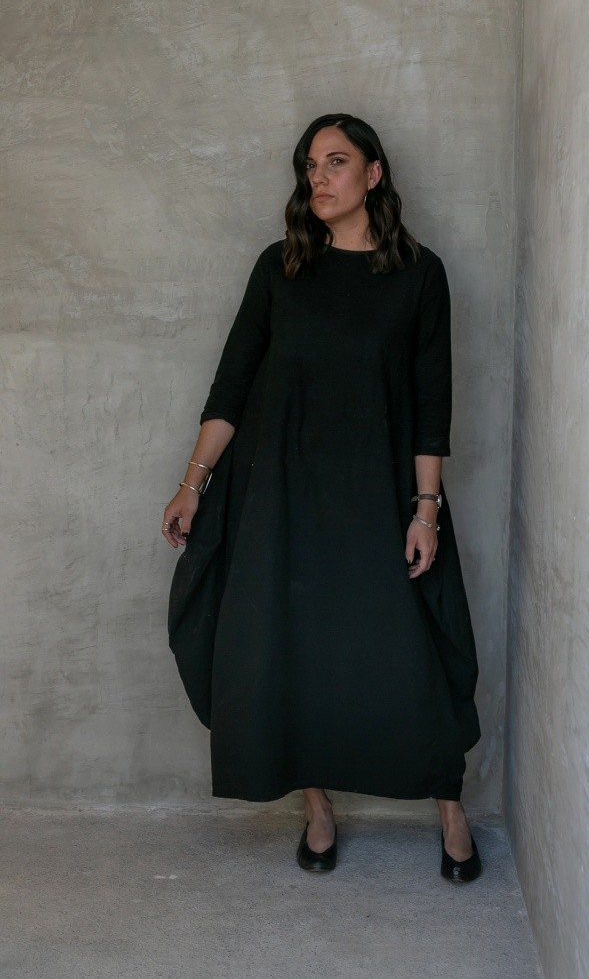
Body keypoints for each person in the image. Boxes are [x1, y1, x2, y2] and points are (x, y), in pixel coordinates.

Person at [162, 113, 482, 882]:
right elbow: (232, 385)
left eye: (337, 161)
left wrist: (426, 509)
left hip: (377, 494)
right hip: (280, 497)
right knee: (291, 648)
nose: (319, 177)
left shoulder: (420, 275)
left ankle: (450, 809)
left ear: (374, 173)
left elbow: (431, 404)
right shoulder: (281, 268)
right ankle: (317, 809)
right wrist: (192, 484)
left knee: (413, 647)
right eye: (310, 165)